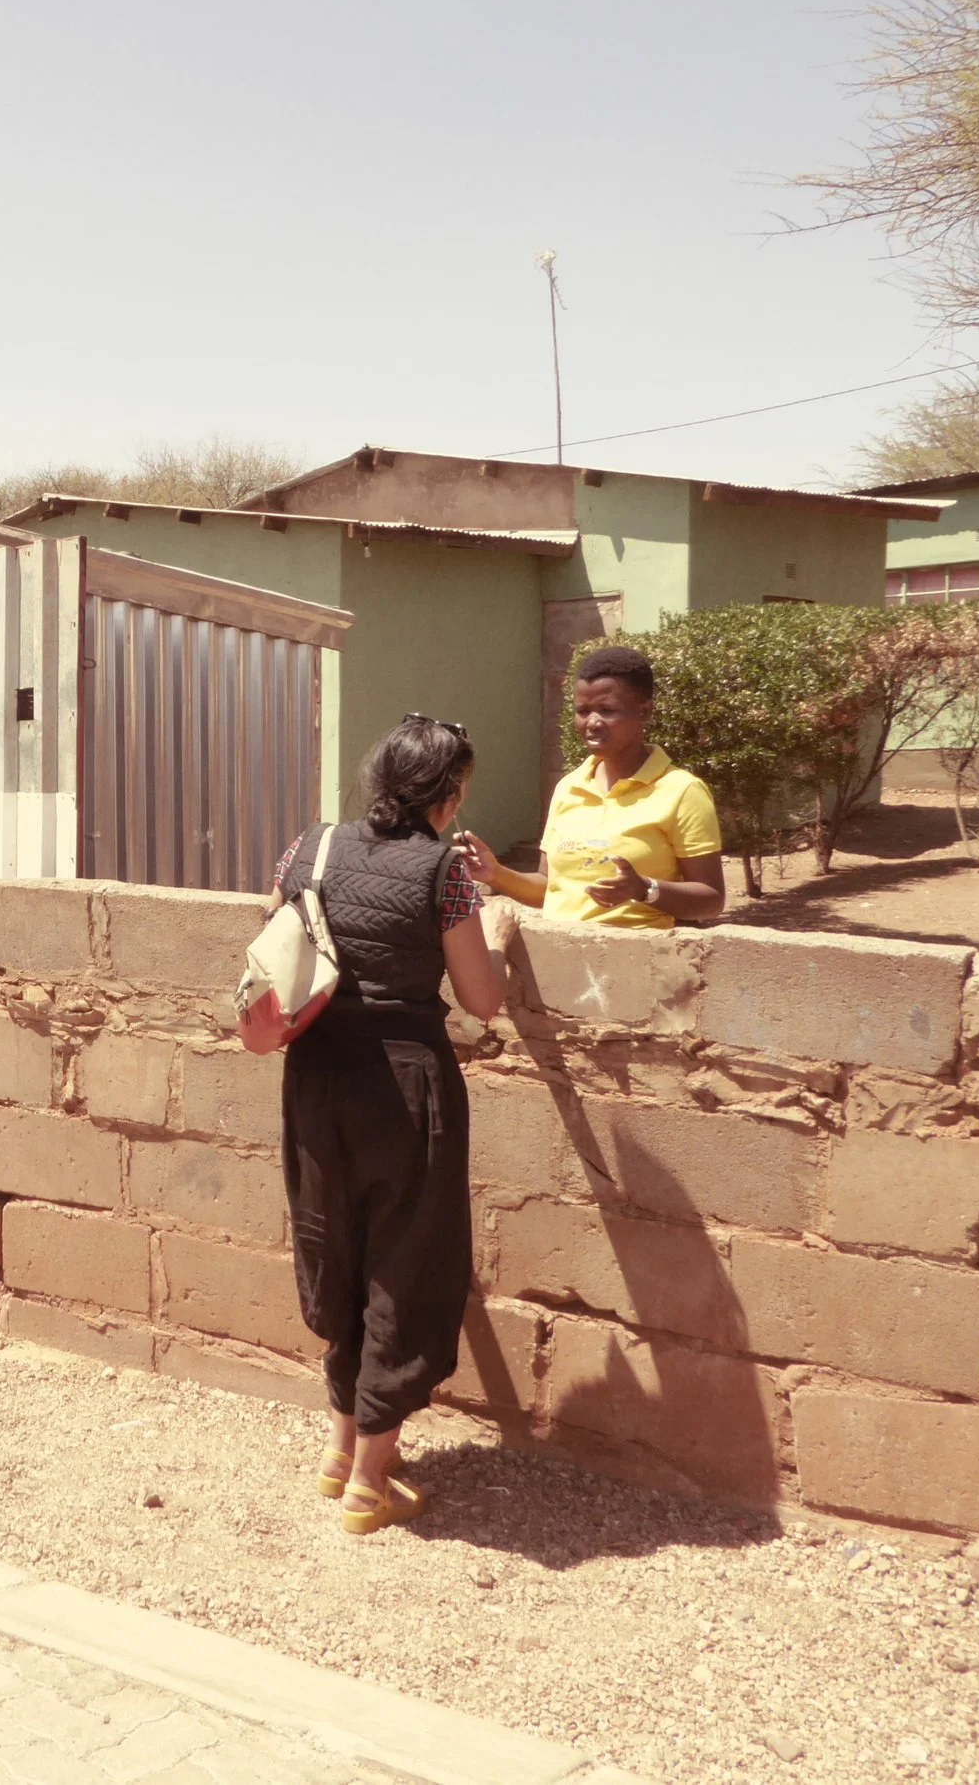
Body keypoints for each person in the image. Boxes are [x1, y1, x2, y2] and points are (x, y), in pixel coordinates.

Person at [268, 714, 505, 1536]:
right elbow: (482, 998)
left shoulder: (311, 846)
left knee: (336, 1249)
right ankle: (371, 1481)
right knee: (406, 1264)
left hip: (315, 1081)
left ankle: (342, 1450)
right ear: (447, 793)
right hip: (405, 1089)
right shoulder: (445, 873)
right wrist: (499, 938)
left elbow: (276, 948)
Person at [455, 644, 726, 927]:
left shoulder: (682, 792)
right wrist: (496, 873)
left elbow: (711, 900)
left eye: (607, 710)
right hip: (563, 958)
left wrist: (645, 889)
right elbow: (550, 888)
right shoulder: (568, 787)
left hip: (641, 960)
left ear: (644, 712)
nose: (592, 722)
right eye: (583, 711)